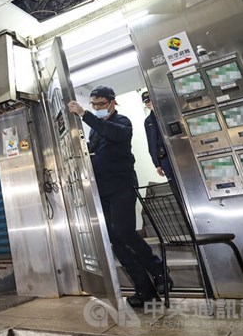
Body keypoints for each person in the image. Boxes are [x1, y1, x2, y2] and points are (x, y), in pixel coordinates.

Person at [67, 86, 170, 308]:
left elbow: (114, 134)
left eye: (101, 104)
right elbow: (93, 151)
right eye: (93, 105)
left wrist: (84, 114)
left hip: (122, 185)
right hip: (102, 189)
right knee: (115, 240)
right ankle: (145, 291)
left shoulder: (122, 122)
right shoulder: (96, 129)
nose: (97, 108)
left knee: (124, 231)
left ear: (113, 102)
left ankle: (158, 269)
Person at [142, 91, 175, 182]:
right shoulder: (148, 121)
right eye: (146, 102)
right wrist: (157, 164)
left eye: (151, 100)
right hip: (163, 157)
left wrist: (158, 113)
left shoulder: (168, 113)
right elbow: (151, 143)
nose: (149, 103)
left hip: (177, 151)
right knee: (173, 182)